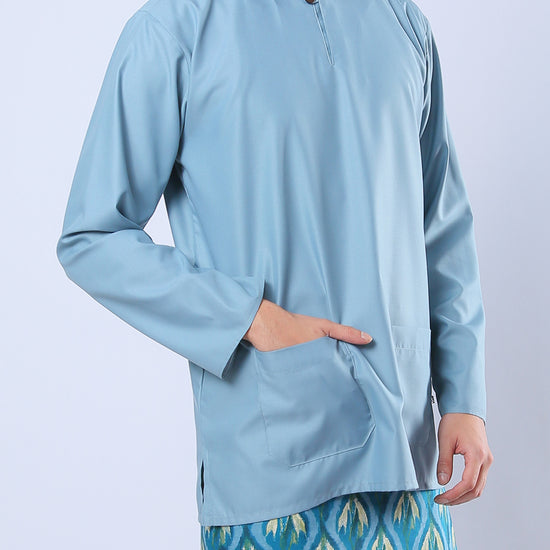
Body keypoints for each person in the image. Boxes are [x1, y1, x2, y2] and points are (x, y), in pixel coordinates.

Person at [56, 0, 494, 547]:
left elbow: (441, 229)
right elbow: (92, 236)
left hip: (409, 460)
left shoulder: (401, 21)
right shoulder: (175, 28)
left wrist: (464, 398)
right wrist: (247, 318)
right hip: (272, 472)